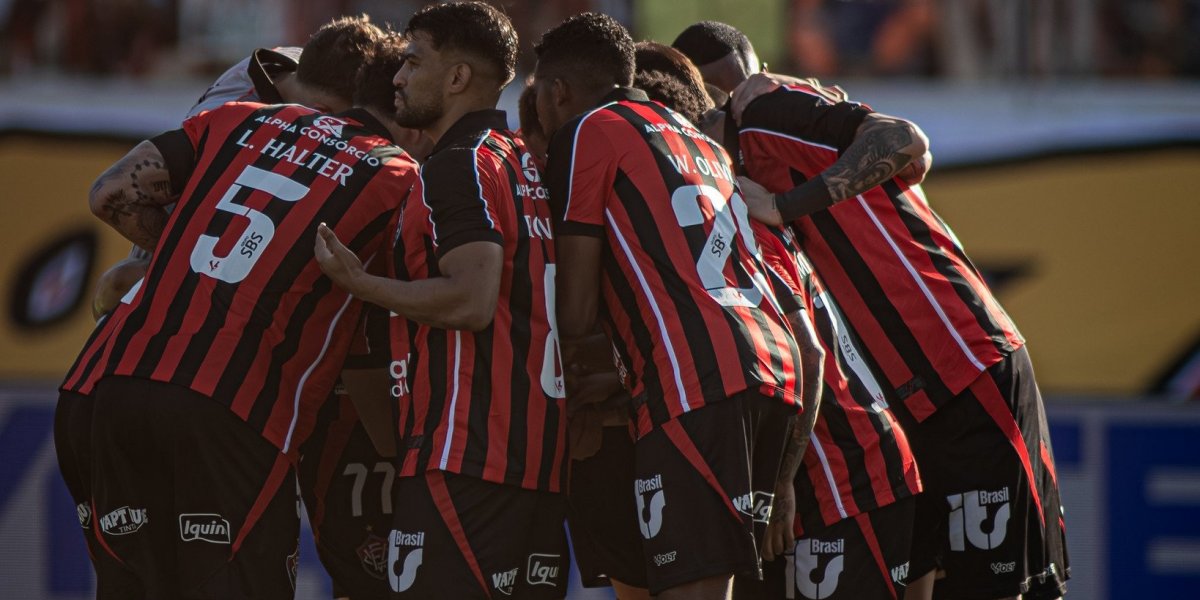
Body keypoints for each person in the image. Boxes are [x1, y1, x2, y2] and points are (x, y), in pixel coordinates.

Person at [675, 21, 1069, 600]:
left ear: (711, 90)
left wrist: (787, 205)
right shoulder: (742, 157)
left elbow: (907, 140)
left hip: (960, 362)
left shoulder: (760, 107)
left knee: (998, 588)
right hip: (912, 397)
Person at [62, 32, 419, 597]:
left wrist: (174, 255)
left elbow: (109, 193)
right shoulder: (401, 179)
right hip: (229, 407)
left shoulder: (237, 116)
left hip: (100, 387)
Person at [531, 13, 811, 600]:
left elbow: (576, 305)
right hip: (774, 370)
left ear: (557, 93)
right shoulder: (698, 137)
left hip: (695, 381)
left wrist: (571, 384)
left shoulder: (589, 128)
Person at [633, 42, 924, 600]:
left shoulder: (736, 212)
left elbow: (809, 354)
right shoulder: (716, 210)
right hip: (836, 471)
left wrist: (783, 485)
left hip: (848, 472)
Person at [313, 3, 568, 599]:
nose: (398, 78)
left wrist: (359, 284)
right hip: (535, 464)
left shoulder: (458, 164)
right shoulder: (526, 162)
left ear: (456, 78)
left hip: (465, 459)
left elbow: (471, 301)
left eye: (411, 61)